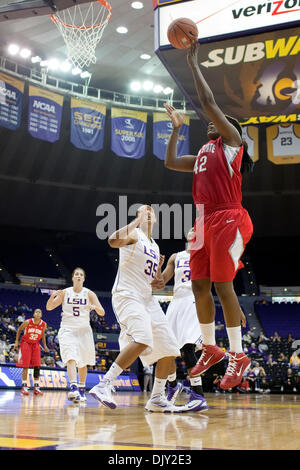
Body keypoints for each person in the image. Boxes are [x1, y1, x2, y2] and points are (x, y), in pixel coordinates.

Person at [163, 41, 254, 390]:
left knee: (222, 284)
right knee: (199, 284)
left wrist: (192, 63)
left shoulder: (231, 143)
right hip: (204, 222)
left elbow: (208, 103)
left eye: (216, 121)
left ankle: (238, 354)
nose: (209, 124)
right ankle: (211, 348)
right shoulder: (202, 151)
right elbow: (171, 162)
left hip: (231, 217)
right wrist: (174, 131)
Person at [89, 205, 181, 412]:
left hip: (148, 299)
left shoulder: (155, 246)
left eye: (151, 212)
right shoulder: (134, 234)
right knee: (142, 337)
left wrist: (158, 277)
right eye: (143, 210)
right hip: (127, 294)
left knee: (170, 349)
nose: (148, 212)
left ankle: (157, 398)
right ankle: (104, 385)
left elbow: (155, 282)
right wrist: (137, 221)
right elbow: (112, 240)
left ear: (156, 220)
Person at [151, 227, 208, 412]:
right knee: (167, 349)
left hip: (194, 300)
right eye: (192, 229)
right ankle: (173, 385)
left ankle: (198, 394)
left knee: (187, 348)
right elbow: (160, 283)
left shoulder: (206, 254)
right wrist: (158, 268)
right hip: (176, 302)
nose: (194, 230)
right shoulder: (176, 256)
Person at [46, 267, 105, 403]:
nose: (78, 276)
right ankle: (73, 388)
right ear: (72, 278)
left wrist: (95, 307)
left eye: (81, 275)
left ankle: (82, 390)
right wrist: (52, 297)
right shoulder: (65, 292)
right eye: (76, 274)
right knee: (70, 357)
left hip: (84, 331)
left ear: (83, 279)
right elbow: (49, 307)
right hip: (67, 329)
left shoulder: (89, 294)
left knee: (83, 362)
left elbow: (102, 312)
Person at [13, 308, 49, 396]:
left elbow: (43, 335)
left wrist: (44, 345)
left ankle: (36, 388)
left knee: (37, 366)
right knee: (25, 366)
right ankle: (24, 387)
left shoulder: (44, 324)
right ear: (33, 314)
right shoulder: (27, 322)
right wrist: (17, 342)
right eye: (36, 312)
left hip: (35, 344)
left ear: (41, 315)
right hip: (26, 343)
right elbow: (19, 330)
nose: (38, 313)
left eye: (39, 312)